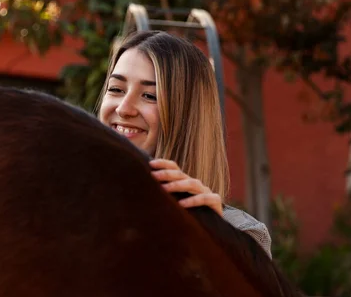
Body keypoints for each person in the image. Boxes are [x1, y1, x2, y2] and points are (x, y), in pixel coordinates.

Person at [97, 30, 272, 258]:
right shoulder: (67, 205)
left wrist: (210, 242)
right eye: (116, 89)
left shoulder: (242, 235)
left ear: (188, 117)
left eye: (150, 95)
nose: (123, 108)